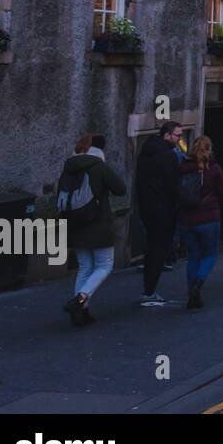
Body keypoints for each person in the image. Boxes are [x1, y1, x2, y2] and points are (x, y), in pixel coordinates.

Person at [58, 134, 126, 326]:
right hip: (98, 224)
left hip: (75, 225)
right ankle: (80, 300)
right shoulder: (99, 166)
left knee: (85, 267)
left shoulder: (68, 167)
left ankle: (81, 311)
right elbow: (120, 189)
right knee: (105, 265)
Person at [135, 121, 183, 306]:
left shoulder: (146, 153)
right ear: (167, 135)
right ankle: (149, 292)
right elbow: (173, 185)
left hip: (147, 207)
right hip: (163, 208)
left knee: (152, 248)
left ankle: (148, 290)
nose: (180, 139)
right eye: (178, 135)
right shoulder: (167, 156)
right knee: (159, 250)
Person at [177, 136, 223, 310]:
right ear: (209, 149)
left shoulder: (183, 167)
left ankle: (192, 294)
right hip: (208, 218)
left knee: (193, 256)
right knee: (210, 254)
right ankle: (198, 284)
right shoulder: (214, 169)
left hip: (186, 219)